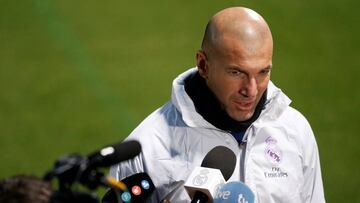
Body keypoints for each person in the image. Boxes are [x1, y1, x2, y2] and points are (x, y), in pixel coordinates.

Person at [110, 7, 325, 202]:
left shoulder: (295, 131)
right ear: (203, 65)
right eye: (236, 72)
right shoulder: (146, 148)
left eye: (262, 72)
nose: (251, 90)